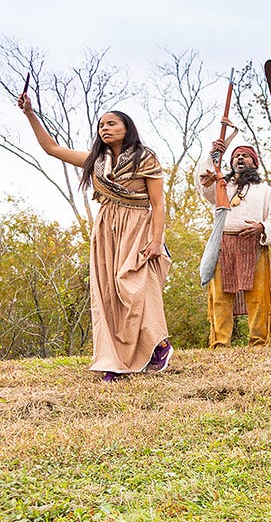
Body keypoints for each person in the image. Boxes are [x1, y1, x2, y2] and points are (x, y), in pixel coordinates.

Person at [18, 95, 172, 379]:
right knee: (108, 294)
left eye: (112, 123)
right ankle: (115, 362)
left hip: (137, 226)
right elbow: (51, 148)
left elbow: (158, 203)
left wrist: (155, 240)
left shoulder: (145, 157)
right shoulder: (96, 161)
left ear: (127, 128)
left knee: (132, 287)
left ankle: (159, 345)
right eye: (101, 125)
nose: (105, 128)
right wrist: (30, 114)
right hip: (106, 228)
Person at [195, 140, 271, 347]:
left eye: (245, 156)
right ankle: (220, 343)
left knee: (257, 296)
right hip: (223, 243)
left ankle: (258, 342)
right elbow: (202, 183)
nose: (240, 159)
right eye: (236, 156)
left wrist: (262, 227)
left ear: (255, 163)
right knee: (221, 296)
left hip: (253, 244)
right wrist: (213, 152)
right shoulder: (220, 185)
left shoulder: (264, 190)